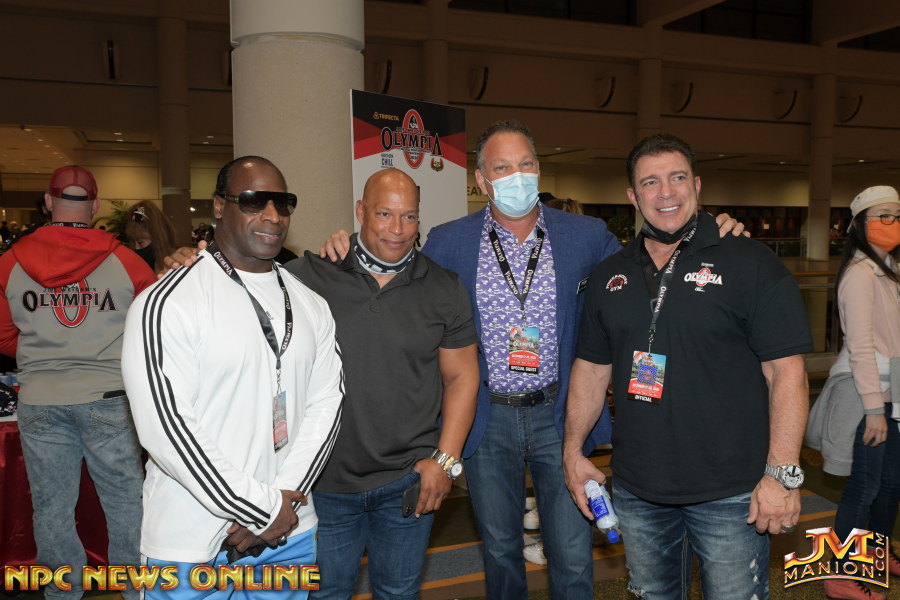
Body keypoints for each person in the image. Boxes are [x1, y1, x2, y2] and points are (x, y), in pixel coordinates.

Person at [320, 121, 745, 599]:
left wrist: (709, 233)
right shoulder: (448, 240)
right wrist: (347, 248)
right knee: (500, 550)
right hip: (487, 417)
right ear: (482, 179)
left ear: (539, 169)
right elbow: (399, 273)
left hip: (559, 415)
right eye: (502, 168)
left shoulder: (586, 236)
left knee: (571, 551)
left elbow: (649, 263)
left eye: (525, 165)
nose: (516, 176)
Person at [164, 167, 479, 599]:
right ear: (360, 211)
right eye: (384, 214)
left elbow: (461, 376)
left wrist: (445, 461)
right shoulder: (306, 276)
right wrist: (192, 262)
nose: (398, 229)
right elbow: (238, 281)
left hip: (407, 481)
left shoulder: (444, 287)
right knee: (326, 593)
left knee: (400, 592)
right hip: (320, 487)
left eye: (409, 216)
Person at [563, 133, 813, 600]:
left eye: (677, 178)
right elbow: (591, 370)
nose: (666, 192)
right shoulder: (609, 275)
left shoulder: (750, 262)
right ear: (633, 196)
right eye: (650, 182)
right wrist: (572, 451)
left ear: (697, 185)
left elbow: (787, 372)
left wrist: (781, 473)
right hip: (638, 489)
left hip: (734, 493)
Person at [122, 156, 344, 600]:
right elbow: (167, 429)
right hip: (192, 544)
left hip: (289, 533)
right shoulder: (166, 302)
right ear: (219, 206)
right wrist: (261, 509)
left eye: (282, 203)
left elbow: (327, 404)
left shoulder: (311, 304)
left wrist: (285, 500)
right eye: (253, 201)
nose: (273, 216)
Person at [0, 165, 156, 600]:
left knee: (51, 506)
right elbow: (151, 331)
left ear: (48, 202)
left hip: (40, 397)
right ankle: (135, 591)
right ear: (96, 204)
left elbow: (3, 335)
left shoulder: (9, 263)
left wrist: (42, 354)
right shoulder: (127, 262)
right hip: (109, 397)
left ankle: (62, 593)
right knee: (124, 501)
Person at [807, 185, 900, 600]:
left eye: (898, 216)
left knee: (891, 483)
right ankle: (840, 575)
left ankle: (876, 553)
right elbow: (861, 345)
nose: (893, 224)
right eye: (884, 216)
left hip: (891, 389)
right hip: (866, 393)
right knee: (865, 485)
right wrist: (875, 409)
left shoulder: (889, 269)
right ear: (860, 225)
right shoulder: (860, 275)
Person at [123, 200, 176, 272]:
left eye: (140, 242)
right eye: (133, 242)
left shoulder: (175, 265)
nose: (136, 248)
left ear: (157, 238)